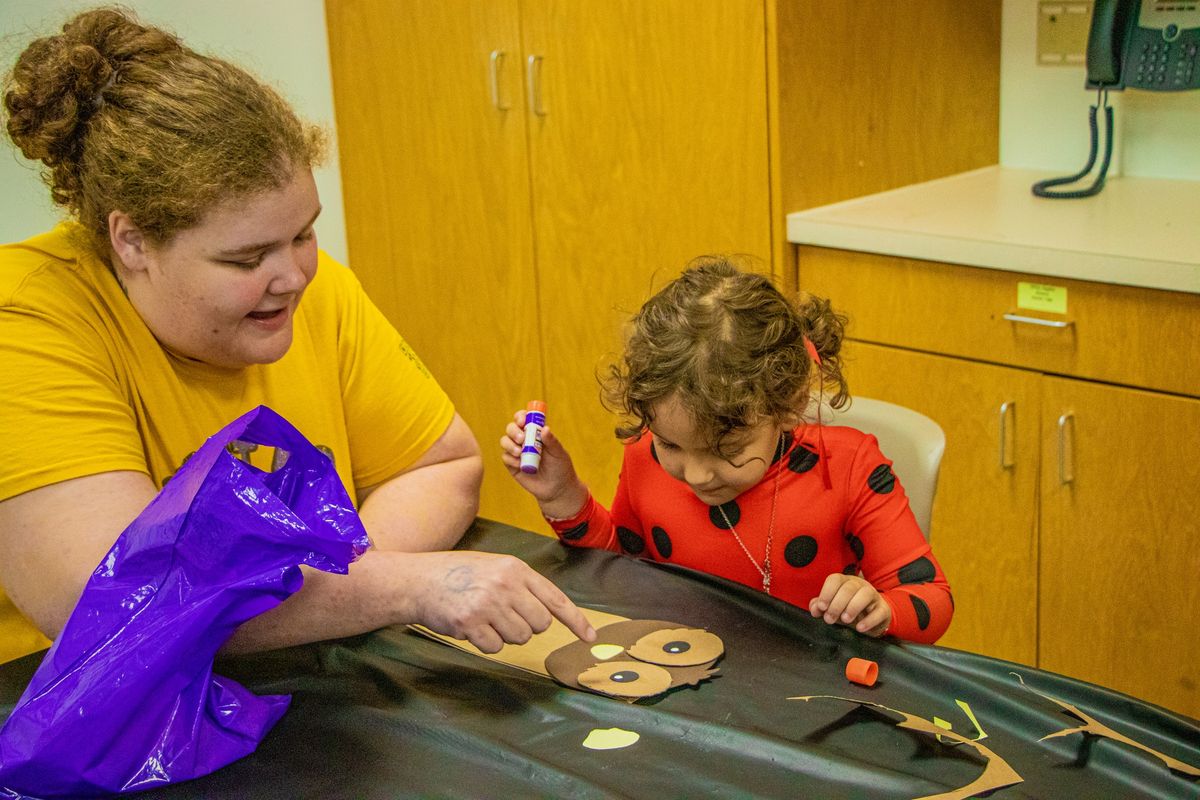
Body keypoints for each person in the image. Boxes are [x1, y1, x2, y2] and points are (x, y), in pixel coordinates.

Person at [0, 6, 594, 665]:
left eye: (304, 233)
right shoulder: (24, 319)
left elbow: (441, 466)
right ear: (132, 240)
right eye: (246, 258)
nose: (293, 276)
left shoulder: (311, 288)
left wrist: (327, 592)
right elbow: (121, 601)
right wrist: (405, 587)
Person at [501, 257, 953, 644]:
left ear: (789, 404)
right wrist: (563, 497)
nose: (697, 475)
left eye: (727, 450)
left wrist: (882, 610)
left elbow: (933, 598)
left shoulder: (851, 468)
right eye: (671, 444)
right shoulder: (644, 455)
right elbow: (619, 573)